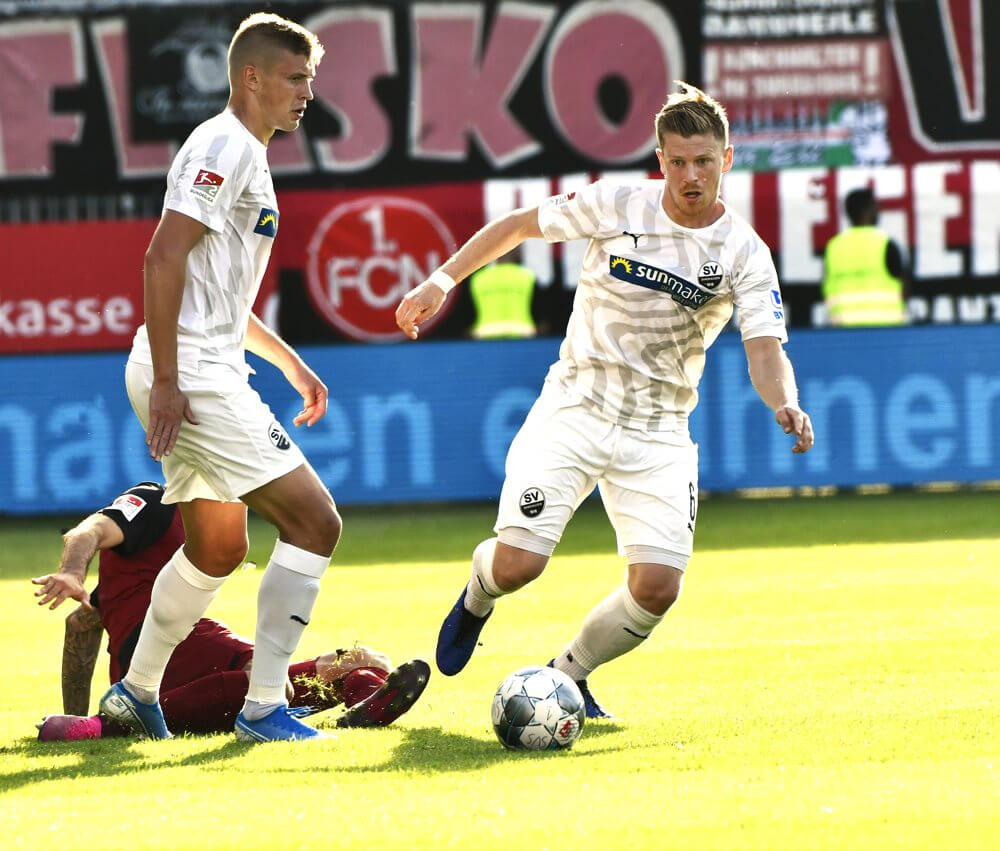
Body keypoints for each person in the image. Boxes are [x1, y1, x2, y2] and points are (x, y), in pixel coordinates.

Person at [396, 82, 814, 718]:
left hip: (660, 429)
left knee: (657, 589)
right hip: (576, 406)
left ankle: (570, 676)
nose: (691, 175)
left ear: (726, 160)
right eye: (677, 161)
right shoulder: (617, 202)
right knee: (518, 566)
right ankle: (479, 596)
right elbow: (517, 226)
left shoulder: (745, 254)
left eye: (704, 161)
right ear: (660, 159)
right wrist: (442, 278)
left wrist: (784, 400)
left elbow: (764, 349)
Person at [100, 13, 351, 742]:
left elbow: (217, 294)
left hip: (196, 363)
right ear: (251, 77)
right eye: (295, 77)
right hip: (194, 374)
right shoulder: (224, 144)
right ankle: (265, 707)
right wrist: (174, 382)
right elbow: (162, 258)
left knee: (218, 547)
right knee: (315, 521)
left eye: (310, 78)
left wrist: (289, 362)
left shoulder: (247, 152)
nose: (307, 92)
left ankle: (136, 691)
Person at [32, 482, 430, 741]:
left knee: (364, 660)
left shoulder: (206, 529)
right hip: (168, 650)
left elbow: (81, 623)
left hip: (190, 660)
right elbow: (90, 529)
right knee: (265, 682)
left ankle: (359, 714)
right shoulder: (157, 501)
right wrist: (71, 571)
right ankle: (113, 725)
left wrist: (74, 716)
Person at [822, 187, 908, 326]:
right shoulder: (886, 243)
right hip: (888, 329)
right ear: (869, 209)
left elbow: (826, 284)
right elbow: (904, 285)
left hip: (842, 332)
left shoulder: (834, 247)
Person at [468, 247, 537, 339]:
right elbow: (538, 308)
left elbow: (471, 310)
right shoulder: (527, 275)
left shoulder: (478, 278)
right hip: (522, 331)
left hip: (486, 333)